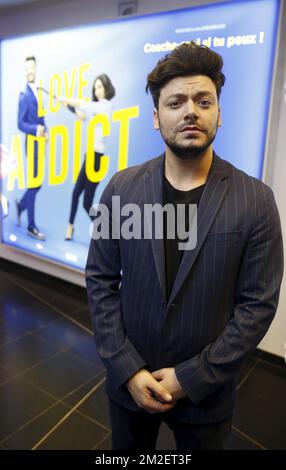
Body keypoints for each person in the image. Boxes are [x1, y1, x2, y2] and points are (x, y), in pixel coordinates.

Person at [85, 42, 284, 450]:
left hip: (205, 397)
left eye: (203, 100)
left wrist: (190, 378)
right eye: (176, 101)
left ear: (218, 114)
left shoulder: (256, 199)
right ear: (157, 118)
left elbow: (257, 305)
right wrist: (128, 369)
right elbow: (100, 280)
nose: (190, 110)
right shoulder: (121, 189)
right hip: (129, 389)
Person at [59, 74, 115, 241]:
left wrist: (66, 99)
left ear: (106, 87)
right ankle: (70, 227)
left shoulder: (106, 106)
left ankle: (108, 232)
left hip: (97, 159)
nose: (97, 90)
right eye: (95, 87)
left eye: (100, 87)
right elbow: (82, 115)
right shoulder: (96, 108)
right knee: (76, 193)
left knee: (87, 202)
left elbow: (83, 105)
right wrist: (67, 106)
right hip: (89, 157)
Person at [16, 56, 48, 240]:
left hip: (40, 143)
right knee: (35, 183)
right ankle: (31, 226)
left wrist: (47, 131)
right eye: (26, 68)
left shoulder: (37, 92)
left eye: (32, 67)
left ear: (36, 69)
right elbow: (20, 123)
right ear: (25, 70)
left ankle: (21, 205)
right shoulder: (24, 96)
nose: (29, 71)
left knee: (37, 183)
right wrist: (36, 129)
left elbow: (41, 117)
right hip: (32, 144)